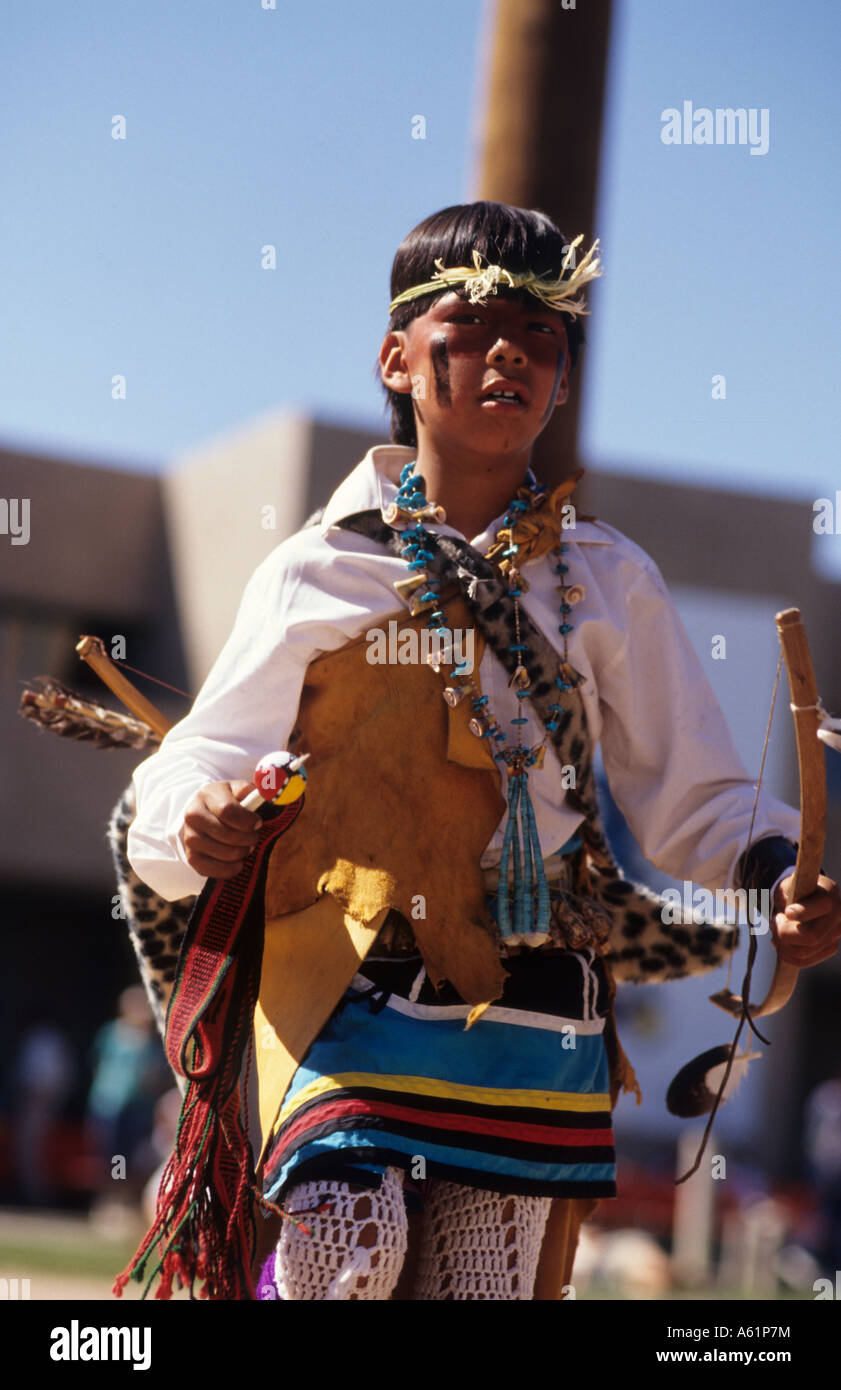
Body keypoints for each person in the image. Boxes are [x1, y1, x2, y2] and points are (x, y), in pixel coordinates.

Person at [125, 201, 841, 1301]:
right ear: (396, 358)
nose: (511, 350)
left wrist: (781, 876)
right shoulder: (319, 569)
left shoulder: (607, 578)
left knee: (479, 1285)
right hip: (342, 981)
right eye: (472, 323)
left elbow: (697, 801)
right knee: (348, 1258)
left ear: (562, 377)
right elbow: (194, 758)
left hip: (529, 990)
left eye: (543, 334)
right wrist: (198, 816)